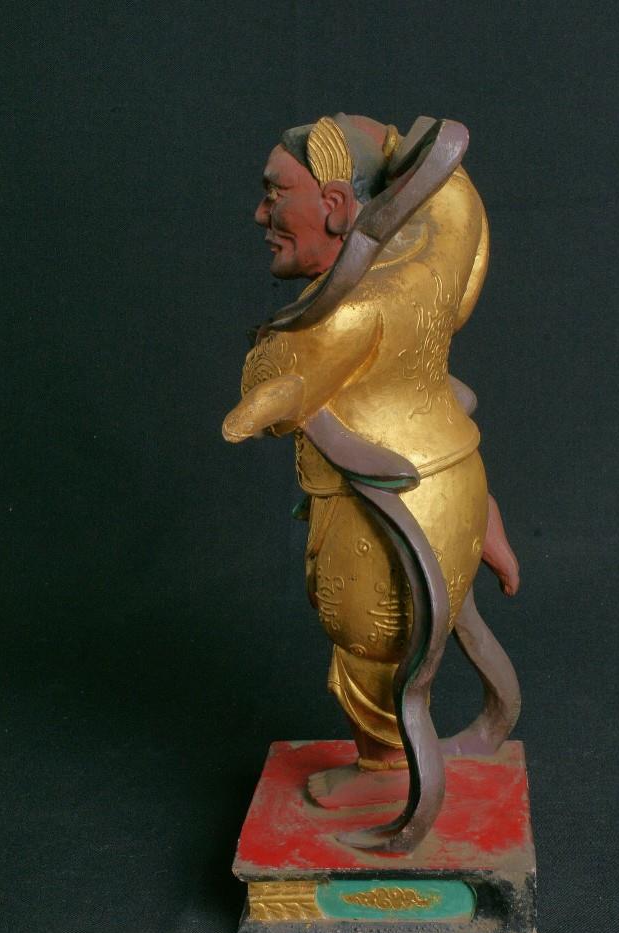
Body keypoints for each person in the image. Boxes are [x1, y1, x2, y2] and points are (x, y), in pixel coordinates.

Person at [223, 114, 520, 817]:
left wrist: (262, 398)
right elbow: (454, 194)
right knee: (427, 631)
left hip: (383, 508)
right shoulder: (429, 268)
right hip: (456, 484)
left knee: (370, 649)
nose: (261, 214)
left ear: (333, 204)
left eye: (275, 194)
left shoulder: (341, 316)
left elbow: (265, 397)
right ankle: (473, 719)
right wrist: (393, 144)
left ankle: (386, 769)